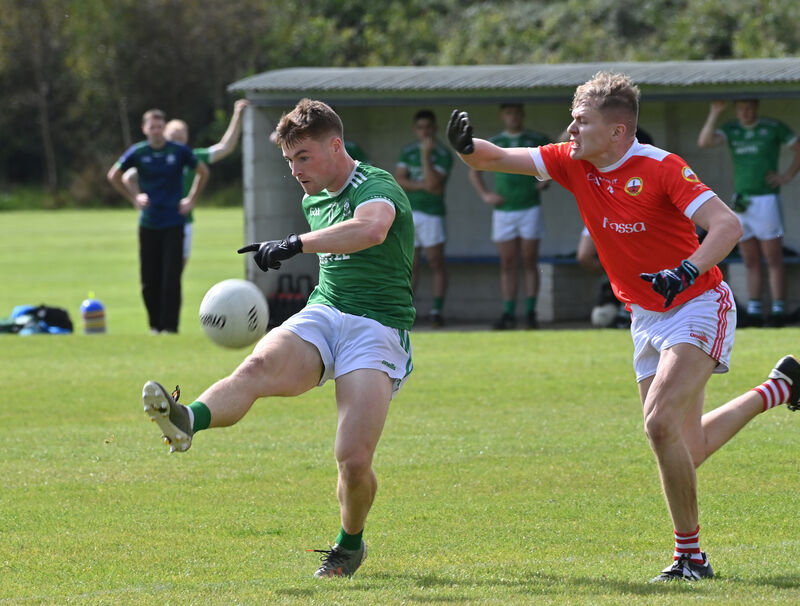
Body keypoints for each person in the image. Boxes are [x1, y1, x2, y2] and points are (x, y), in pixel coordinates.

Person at [447, 72, 800, 582]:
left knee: (658, 424)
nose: (571, 128)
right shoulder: (572, 162)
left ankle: (690, 557)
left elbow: (727, 225)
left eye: (582, 120)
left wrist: (687, 269)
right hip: (644, 315)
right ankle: (779, 387)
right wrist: (465, 147)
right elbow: (495, 157)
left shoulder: (662, 168)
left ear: (617, 131)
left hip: (698, 303)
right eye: (573, 118)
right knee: (686, 446)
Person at [141, 99, 415, 579]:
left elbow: (372, 229)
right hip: (325, 312)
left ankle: (350, 545)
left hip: (378, 326)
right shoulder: (313, 198)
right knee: (254, 369)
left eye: (303, 157)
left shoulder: (375, 184)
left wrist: (295, 243)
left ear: (335, 145)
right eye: (288, 161)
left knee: (352, 462)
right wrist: (301, 242)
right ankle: (187, 420)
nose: (295, 171)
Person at [698, 99, 800, 327]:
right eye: (741, 108)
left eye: (749, 108)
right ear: (736, 109)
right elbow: (704, 142)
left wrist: (786, 176)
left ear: (756, 108)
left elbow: (798, 147)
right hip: (742, 201)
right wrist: (715, 113)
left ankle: (778, 309)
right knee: (750, 258)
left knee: (773, 257)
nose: (745, 112)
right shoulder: (732, 129)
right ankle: (754, 308)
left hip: (767, 200)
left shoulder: (771, 128)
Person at [107, 109, 208, 334]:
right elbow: (114, 174)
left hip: (174, 222)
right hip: (149, 223)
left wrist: (191, 199)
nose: (156, 131)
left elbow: (203, 171)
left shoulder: (179, 151)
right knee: (149, 280)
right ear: (145, 129)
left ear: (164, 128)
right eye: (152, 127)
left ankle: (170, 328)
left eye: (159, 126)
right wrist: (134, 198)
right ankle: (154, 326)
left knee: (171, 277)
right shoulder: (138, 152)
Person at [124, 99, 249, 268]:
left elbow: (225, 147)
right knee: (155, 269)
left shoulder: (193, 157)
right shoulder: (155, 158)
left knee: (176, 271)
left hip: (182, 220)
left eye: (181, 138)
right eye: (173, 138)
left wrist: (237, 114)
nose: (177, 142)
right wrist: (136, 197)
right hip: (155, 219)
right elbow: (128, 176)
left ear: (186, 138)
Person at [468, 103, 550, 330]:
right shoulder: (496, 142)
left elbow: (555, 161)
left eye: (516, 113)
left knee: (530, 260)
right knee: (507, 263)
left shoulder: (535, 138)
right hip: (504, 210)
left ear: (522, 115)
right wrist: (486, 195)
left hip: (529, 207)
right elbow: (474, 169)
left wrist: (546, 183)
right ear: (502, 116)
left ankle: (531, 312)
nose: (513, 117)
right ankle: (508, 312)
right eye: (508, 113)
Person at [578, 128, 655, 328]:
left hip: (640, 240)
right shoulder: (596, 161)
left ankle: (627, 303)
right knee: (600, 317)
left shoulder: (653, 168)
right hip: (604, 217)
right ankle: (613, 286)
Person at [394, 109, 453, 327]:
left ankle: (437, 310)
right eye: (420, 127)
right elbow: (399, 179)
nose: (424, 131)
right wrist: (424, 186)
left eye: (428, 127)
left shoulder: (443, 153)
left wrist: (426, 155)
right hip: (409, 213)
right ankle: (408, 310)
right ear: (415, 129)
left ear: (435, 128)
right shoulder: (407, 151)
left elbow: (435, 183)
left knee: (436, 262)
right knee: (411, 264)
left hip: (432, 213)